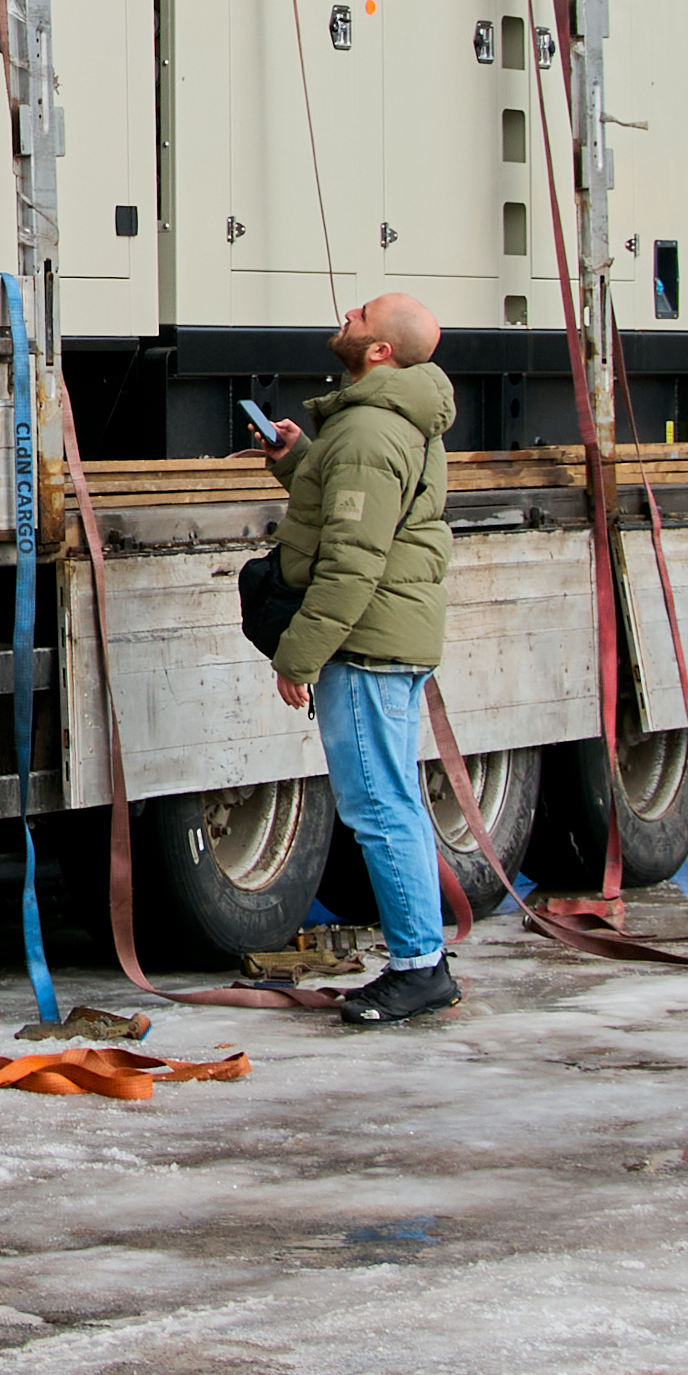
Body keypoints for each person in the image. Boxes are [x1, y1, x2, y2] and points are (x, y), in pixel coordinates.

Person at [244, 291, 462, 1025]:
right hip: (384, 637)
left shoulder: (371, 430)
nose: (347, 315)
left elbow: (349, 564)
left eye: (362, 314)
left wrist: (297, 657)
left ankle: (417, 967)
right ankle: (421, 956)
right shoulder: (385, 421)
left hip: (365, 644)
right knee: (391, 800)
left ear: (378, 353)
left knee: (378, 806)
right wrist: (298, 458)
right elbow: (354, 507)